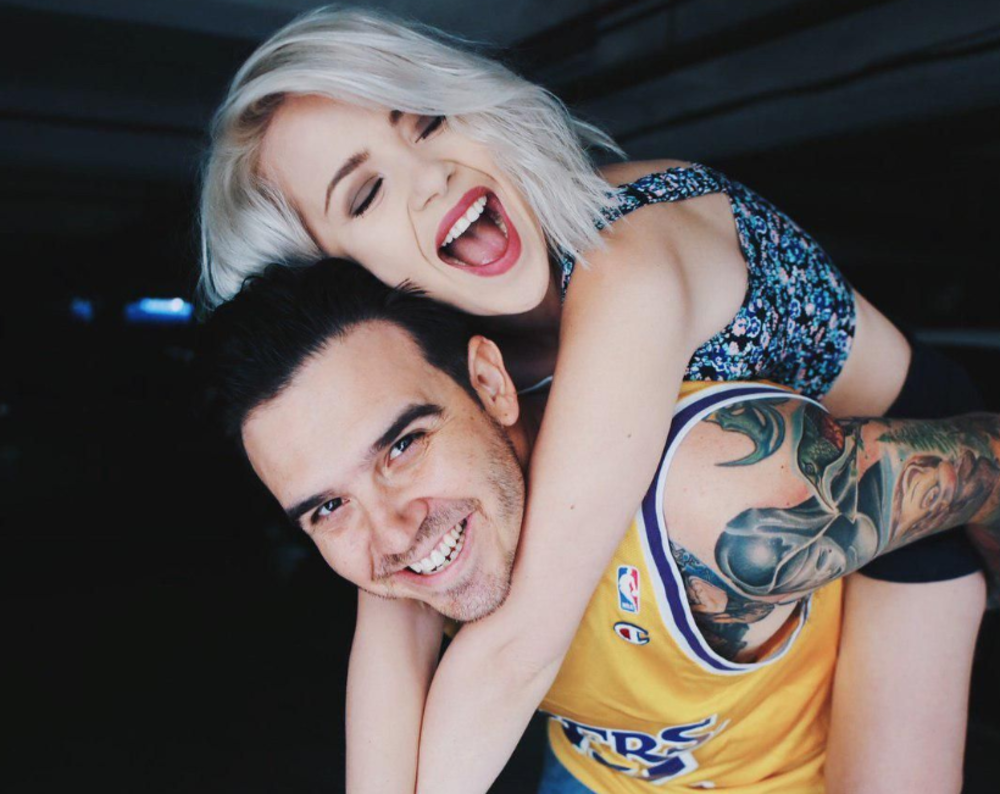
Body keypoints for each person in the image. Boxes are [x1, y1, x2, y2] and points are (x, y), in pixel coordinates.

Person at [197, 8, 987, 791]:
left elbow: (521, 645)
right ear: (335, 276)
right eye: (367, 193)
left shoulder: (630, 266)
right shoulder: (441, 338)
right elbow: (393, 628)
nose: (432, 176)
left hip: (910, 474)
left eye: (429, 123)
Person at [202, 259, 999, 792]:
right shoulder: (407, 542)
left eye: (403, 446)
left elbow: (989, 460)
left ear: (490, 384)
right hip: (593, 774)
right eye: (328, 506)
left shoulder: (725, 493)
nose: (393, 534)